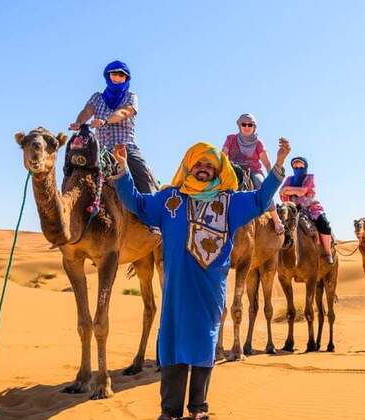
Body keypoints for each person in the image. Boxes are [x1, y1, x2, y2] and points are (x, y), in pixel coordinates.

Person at [113, 139, 291, 420]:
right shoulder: (170, 198)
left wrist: (278, 164)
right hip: (176, 288)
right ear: (188, 166)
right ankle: (169, 410)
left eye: (209, 165)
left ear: (218, 170)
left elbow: (259, 199)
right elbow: (137, 204)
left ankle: (199, 408)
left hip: (210, 289)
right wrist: (122, 170)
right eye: (199, 164)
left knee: (204, 342)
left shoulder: (229, 202)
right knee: (172, 342)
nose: (204, 168)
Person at [69, 60, 158, 193]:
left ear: (126, 79)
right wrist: (79, 122)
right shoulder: (97, 97)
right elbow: (87, 111)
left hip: (125, 149)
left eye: (121, 75)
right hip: (100, 153)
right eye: (114, 74)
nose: (117, 78)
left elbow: (124, 112)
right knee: (74, 172)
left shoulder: (131, 97)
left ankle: (152, 209)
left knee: (144, 175)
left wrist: (104, 120)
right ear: (108, 76)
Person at [221, 113, 284, 234]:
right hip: (234, 169)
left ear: (254, 127)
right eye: (244, 124)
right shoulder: (231, 139)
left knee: (261, 186)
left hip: (253, 171)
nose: (247, 127)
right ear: (239, 126)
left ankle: (276, 220)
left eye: (250, 124)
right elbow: (223, 154)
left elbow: (266, 162)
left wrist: (272, 178)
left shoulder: (258, 143)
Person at [279, 157, 334, 264]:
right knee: (276, 223)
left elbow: (302, 191)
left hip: (311, 209)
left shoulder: (309, 177)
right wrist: (287, 190)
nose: (298, 169)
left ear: (305, 167)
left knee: (324, 224)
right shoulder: (288, 179)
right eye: (295, 167)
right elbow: (281, 193)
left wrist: (287, 189)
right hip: (292, 209)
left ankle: (328, 253)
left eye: (300, 167)